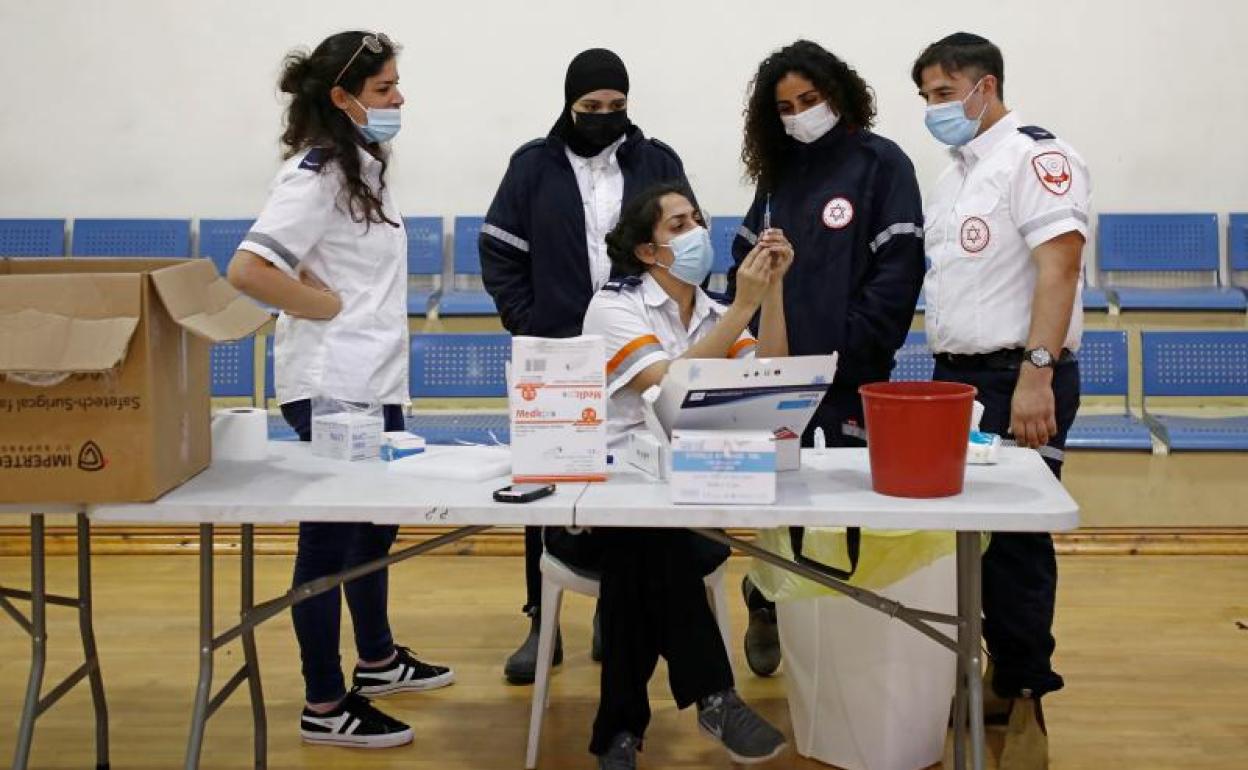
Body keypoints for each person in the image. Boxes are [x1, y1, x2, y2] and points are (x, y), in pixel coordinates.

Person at [227, 30, 453, 749]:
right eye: (385, 88)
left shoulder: (362, 166)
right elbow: (249, 269)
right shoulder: (317, 173)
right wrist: (321, 306)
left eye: (394, 85)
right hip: (331, 386)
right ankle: (325, 703)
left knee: (372, 527)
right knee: (328, 541)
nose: (398, 99)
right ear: (342, 97)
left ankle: (378, 659)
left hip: (372, 380)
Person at [547, 182, 790, 769]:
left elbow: (773, 376)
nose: (695, 231)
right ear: (648, 251)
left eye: (696, 218)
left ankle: (619, 735)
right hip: (595, 508)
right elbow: (667, 393)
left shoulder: (711, 313)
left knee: (648, 554)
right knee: (645, 540)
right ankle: (712, 694)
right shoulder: (614, 305)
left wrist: (773, 294)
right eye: (677, 225)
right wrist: (741, 308)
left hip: (690, 500)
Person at [479, 48, 694, 685]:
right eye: (590, 108)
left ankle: (613, 610)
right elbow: (499, 250)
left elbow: (681, 241)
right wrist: (531, 320)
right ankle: (542, 619)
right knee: (544, 481)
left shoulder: (656, 160)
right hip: (557, 352)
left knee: (632, 476)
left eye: (616, 107)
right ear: (568, 105)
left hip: (638, 346)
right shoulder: (532, 166)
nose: (604, 118)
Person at [912, 32, 1091, 769]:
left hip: (1020, 377)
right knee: (968, 536)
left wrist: (1036, 372)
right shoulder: (956, 175)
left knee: (1016, 542)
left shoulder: (1037, 158)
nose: (934, 110)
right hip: (956, 379)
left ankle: (1025, 693)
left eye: (944, 94)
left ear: (985, 86)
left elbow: (1061, 264)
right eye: (925, 97)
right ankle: (988, 669)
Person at [731, 39, 926, 677]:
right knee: (778, 508)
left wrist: (851, 351)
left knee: (840, 514)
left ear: (837, 95)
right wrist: (755, 353)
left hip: (850, 379)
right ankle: (766, 597)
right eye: (785, 106)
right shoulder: (777, 175)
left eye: (808, 100)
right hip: (776, 379)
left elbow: (897, 277)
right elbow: (746, 270)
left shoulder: (882, 165)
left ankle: (840, 646)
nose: (798, 114)